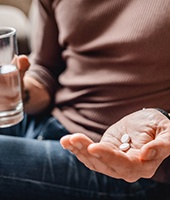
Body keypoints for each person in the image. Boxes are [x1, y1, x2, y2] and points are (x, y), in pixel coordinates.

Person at [0, 0, 169, 199]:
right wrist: (18, 90)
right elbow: (46, 70)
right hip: (47, 121)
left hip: (119, 161)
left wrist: (164, 119)